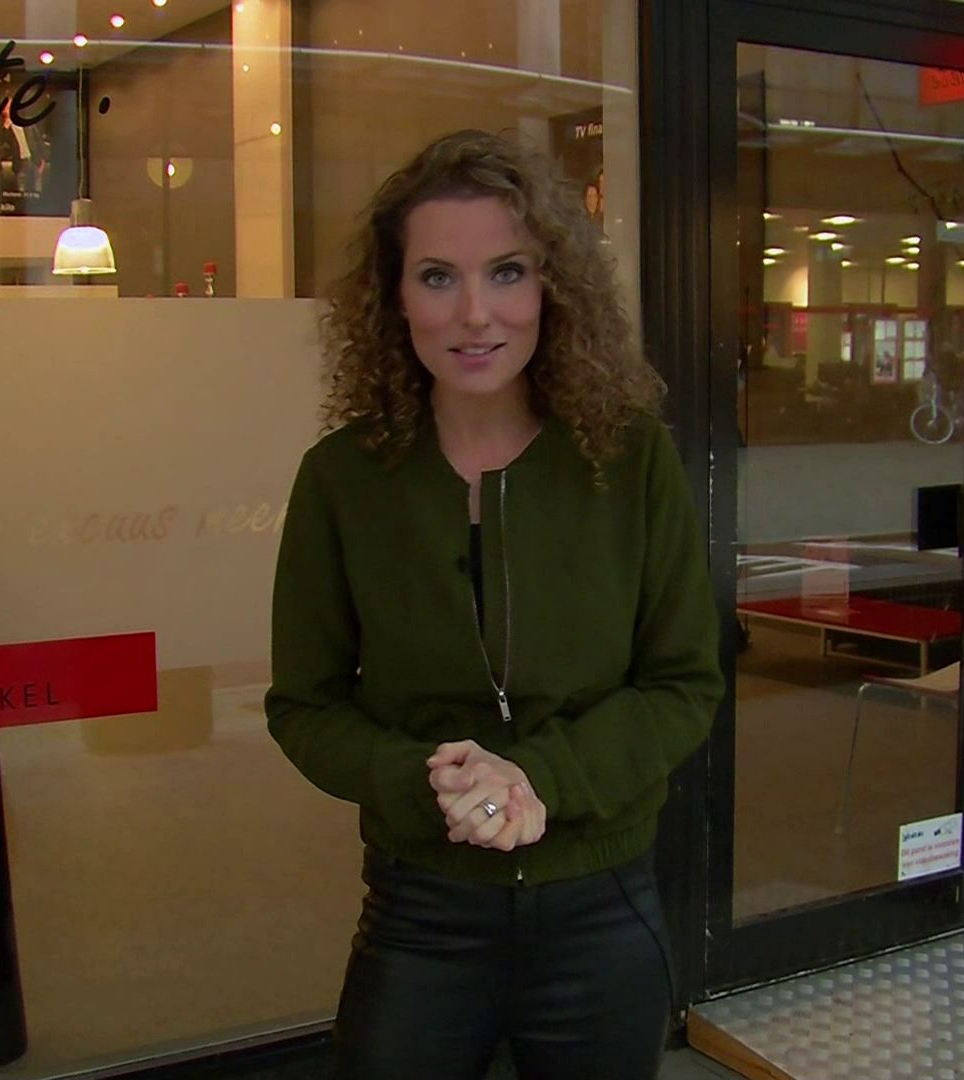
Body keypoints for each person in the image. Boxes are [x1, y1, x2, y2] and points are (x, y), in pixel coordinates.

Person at [265, 129, 722, 1080]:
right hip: (423, 913)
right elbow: (305, 707)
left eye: (507, 272)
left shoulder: (630, 459)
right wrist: (427, 784)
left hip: (603, 908)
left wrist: (537, 779)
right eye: (437, 277)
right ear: (394, 296)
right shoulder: (344, 479)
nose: (475, 314)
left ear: (554, 288)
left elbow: (683, 685)